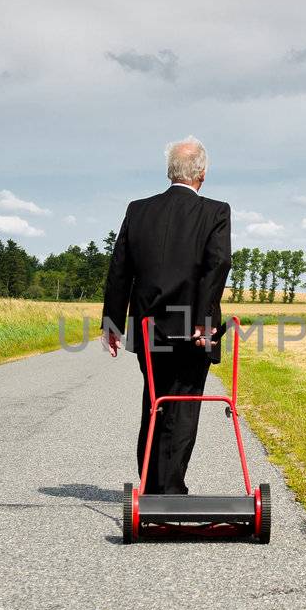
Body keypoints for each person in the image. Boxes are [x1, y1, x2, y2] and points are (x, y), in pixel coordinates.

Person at [100, 136, 232, 495]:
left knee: (155, 400)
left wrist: (112, 323)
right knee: (183, 404)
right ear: (201, 174)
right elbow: (218, 265)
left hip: (149, 328)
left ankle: (152, 484)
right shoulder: (215, 211)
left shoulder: (138, 210)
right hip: (194, 329)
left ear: (169, 172)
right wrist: (204, 321)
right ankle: (169, 492)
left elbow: (119, 270)